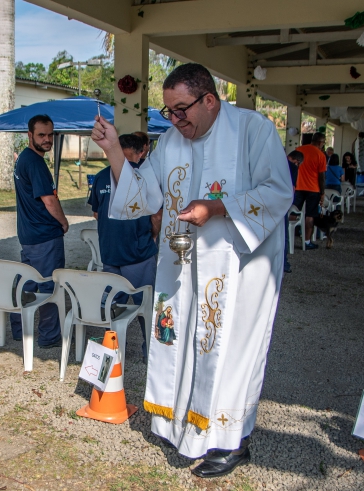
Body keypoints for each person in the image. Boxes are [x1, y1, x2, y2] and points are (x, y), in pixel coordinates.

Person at [91, 63, 293, 478]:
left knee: (227, 349)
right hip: (182, 263)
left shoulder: (253, 130)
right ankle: (181, 422)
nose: (175, 119)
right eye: (168, 111)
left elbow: (277, 191)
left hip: (238, 270)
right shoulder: (170, 141)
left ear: (210, 100)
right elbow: (144, 193)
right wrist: (113, 149)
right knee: (179, 338)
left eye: (181, 109)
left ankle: (230, 442)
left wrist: (216, 208)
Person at [88, 133, 159, 361]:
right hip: (124, 256)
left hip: (126, 256)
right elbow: (98, 211)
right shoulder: (107, 177)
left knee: (129, 308)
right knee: (130, 308)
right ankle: (132, 352)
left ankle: (131, 353)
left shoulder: (139, 177)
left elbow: (97, 213)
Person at [11, 114, 68, 349]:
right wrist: (63, 222)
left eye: (50, 134)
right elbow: (49, 201)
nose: (47, 139)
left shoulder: (24, 158)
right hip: (44, 235)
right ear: (30, 135)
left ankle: (19, 329)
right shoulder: (34, 162)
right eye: (41, 135)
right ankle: (49, 336)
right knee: (49, 286)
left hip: (29, 235)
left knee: (28, 284)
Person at [293, 132, 327, 250]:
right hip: (313, 188)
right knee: (310, 214)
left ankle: (289, 234)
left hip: (298, 187)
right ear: (320, 142)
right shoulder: (320, 155)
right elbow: (321, 176)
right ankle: (307, 241)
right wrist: (322, 192)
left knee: (293, 211)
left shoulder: (299, 149)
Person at [284, 150, 303, 273]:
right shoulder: (291, 167)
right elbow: (292, 189)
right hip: (281, 204)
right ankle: (283, 263)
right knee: (283, 235)